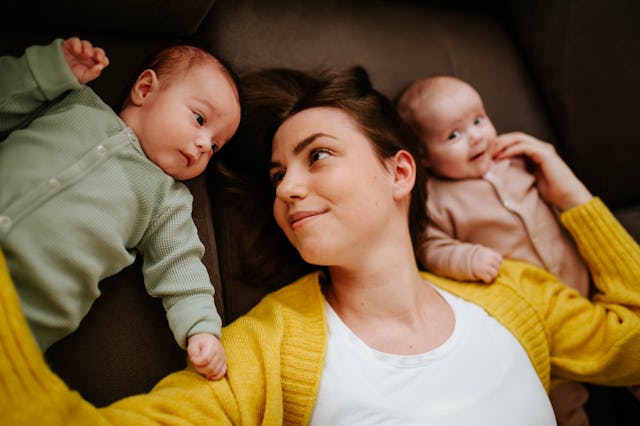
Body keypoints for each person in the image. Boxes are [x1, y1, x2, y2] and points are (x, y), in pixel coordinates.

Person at [1, 66, 639, 425]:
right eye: (278, 176)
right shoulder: (268, 348)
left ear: (399, 173)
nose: (288, 191)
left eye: (319, 157)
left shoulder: (509, 294)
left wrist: (574, 199)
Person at [0, 37, 241, 380]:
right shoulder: (72, 101)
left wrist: (201, 328)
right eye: (199, 118)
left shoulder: (166, 199)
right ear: (145, 89)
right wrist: (51, 71)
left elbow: (182, 266)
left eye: (216, 145)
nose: (205, 144)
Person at [395, 75, 592, 425]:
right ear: (423, 156)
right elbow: (430, 248)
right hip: (537, 319)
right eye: (453, 135)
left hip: (584, 288)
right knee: (560, 400)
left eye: (478, 120)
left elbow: (560, 199)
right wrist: (468, 258)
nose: (475, 137)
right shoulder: (438, 200)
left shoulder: (516, 161)